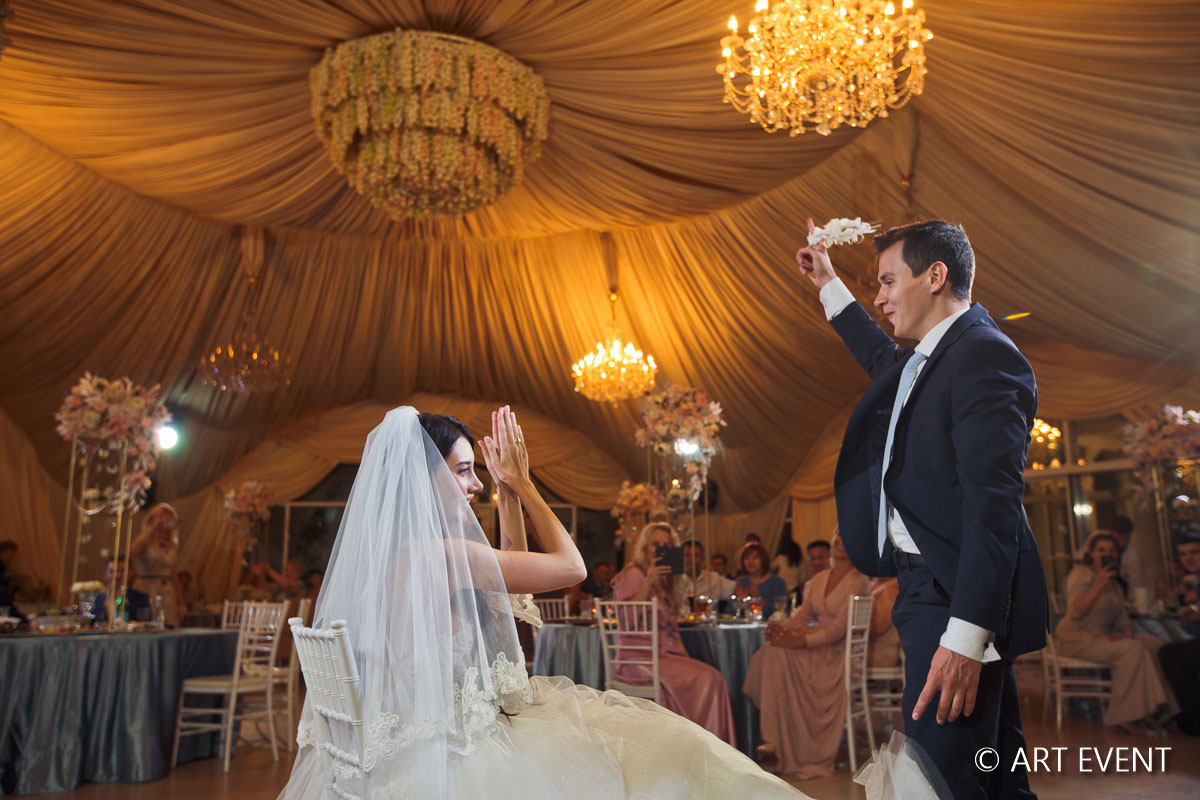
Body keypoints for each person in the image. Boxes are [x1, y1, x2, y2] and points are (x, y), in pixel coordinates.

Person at [277, 407, 813, 799]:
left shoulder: (401, 556)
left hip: (408, 744)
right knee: (659, 753)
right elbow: (572, 567)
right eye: (462, 471)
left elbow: (508, 580)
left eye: (477, 472)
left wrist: (506, 494)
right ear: (423, 476)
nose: (474, 485)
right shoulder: (443, 555)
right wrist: (526, 484)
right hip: (461, 750)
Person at [797, 218, 1048, 799]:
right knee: (994, 779)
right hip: (928, 592)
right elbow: (878, 355)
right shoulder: (929, 360)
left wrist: (965, 637)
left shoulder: (983, 357)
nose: (879, 297)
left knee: (943, 781)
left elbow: (993, 510)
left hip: (952, 599)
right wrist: (828, 284)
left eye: (888, 281)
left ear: (935, 276)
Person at [743, 532, 870, 779]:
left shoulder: (860, 580)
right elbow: (803, 615)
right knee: (772, 650)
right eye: (838, 535)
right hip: (816, 646)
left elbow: (838, 631)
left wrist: (800, 641)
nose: (841, 541)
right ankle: (772, 740)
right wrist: (782, 629)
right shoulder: (819, 578)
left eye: (847, 536)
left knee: (775, 654)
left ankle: (775, 741)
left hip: (837, 653)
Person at [612, 522, 738, 745]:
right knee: (710, 679)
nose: (660, 549)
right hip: (637, 660)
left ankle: (703, 747)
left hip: (662, 657)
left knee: (712, 676)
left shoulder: (666, 581)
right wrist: (648, 581)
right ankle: (697, 746)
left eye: (667, 546)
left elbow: (672, 630)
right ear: (645, 547)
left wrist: (686, 659)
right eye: (655, 544)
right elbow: (625, 621)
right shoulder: (635, 573)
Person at [1055, 532, 1177, 732]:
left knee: (1154, 644)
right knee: (1131, 650)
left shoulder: (1115, 583)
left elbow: (1122, 618)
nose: (1107, 554)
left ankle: (1160, 711)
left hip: (1101, 637)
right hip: (1077, 638)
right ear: (1092, 553)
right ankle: (1123, 717)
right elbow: (1075, 611)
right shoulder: (1081, 574)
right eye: (1101, 550)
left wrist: (1126, 632)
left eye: (1111, 550)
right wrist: (1099, 583)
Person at [1159, 533, 1200, 734]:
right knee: (1169, 649)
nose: (1189, 558)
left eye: (1194, 552)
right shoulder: (1192, 581)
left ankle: (1193, 719)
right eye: (1183, 554)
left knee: (1169, 654)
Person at [129, 502, 181, 626]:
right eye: (161, 517)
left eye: (168, 518)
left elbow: (173, 574)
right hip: (147, 589)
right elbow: (133, 552)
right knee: (147, 622)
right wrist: (153, 529)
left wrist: (179, 602)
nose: (165, 521)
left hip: (167, 592)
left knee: (169, 624)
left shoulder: (172, 544)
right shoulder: (145, 541)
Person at [734, 543, 789, 618]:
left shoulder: (777, 582)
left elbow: (784, 612)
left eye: (755, 557)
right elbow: (728, 612)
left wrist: (758, 599)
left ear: (764, 560)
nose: (750, 561)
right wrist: (739, 603)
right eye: (746, 558)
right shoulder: (741, 582)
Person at [92, 557, 151, 624]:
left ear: (130, 573)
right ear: (106, 574)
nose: (118, 575)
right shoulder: (96, 599)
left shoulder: (141, 599)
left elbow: (145, 624)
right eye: (113, 571)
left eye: (122, 571)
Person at [1111, 516, 1146, 596]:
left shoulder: (1131, 557)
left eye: (1126, 539)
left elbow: (1136, 586)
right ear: (1111, 532)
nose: (1122, 543)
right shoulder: (1097, 540)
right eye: (1119, 538)